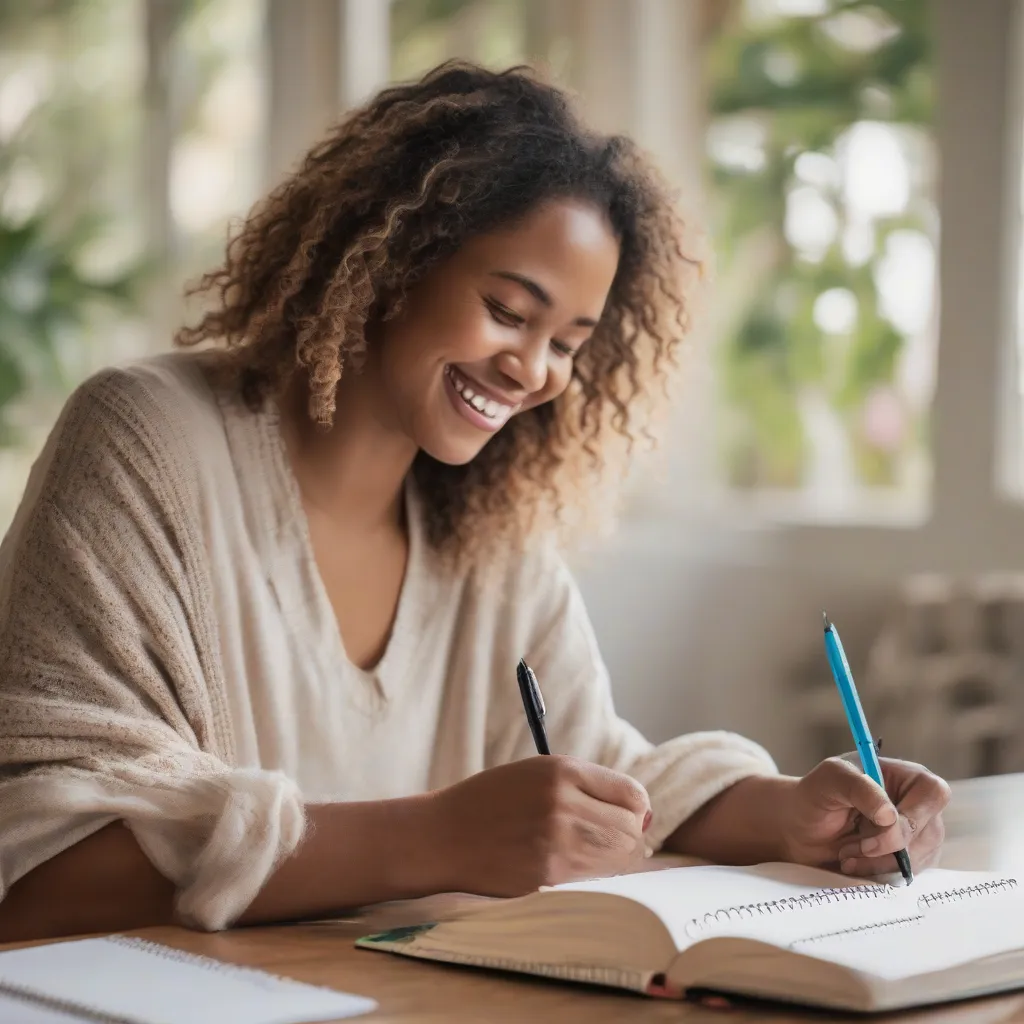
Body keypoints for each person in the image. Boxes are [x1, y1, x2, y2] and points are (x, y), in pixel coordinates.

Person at [0, 61, 949, 942]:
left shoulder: (488, 531)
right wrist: (436, 840)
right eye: (507, 311)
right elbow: (36, 862)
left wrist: (791, 815)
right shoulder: (146, 441)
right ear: (392, 261)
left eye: (569, 342)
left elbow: (601, 770)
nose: (533, 371)